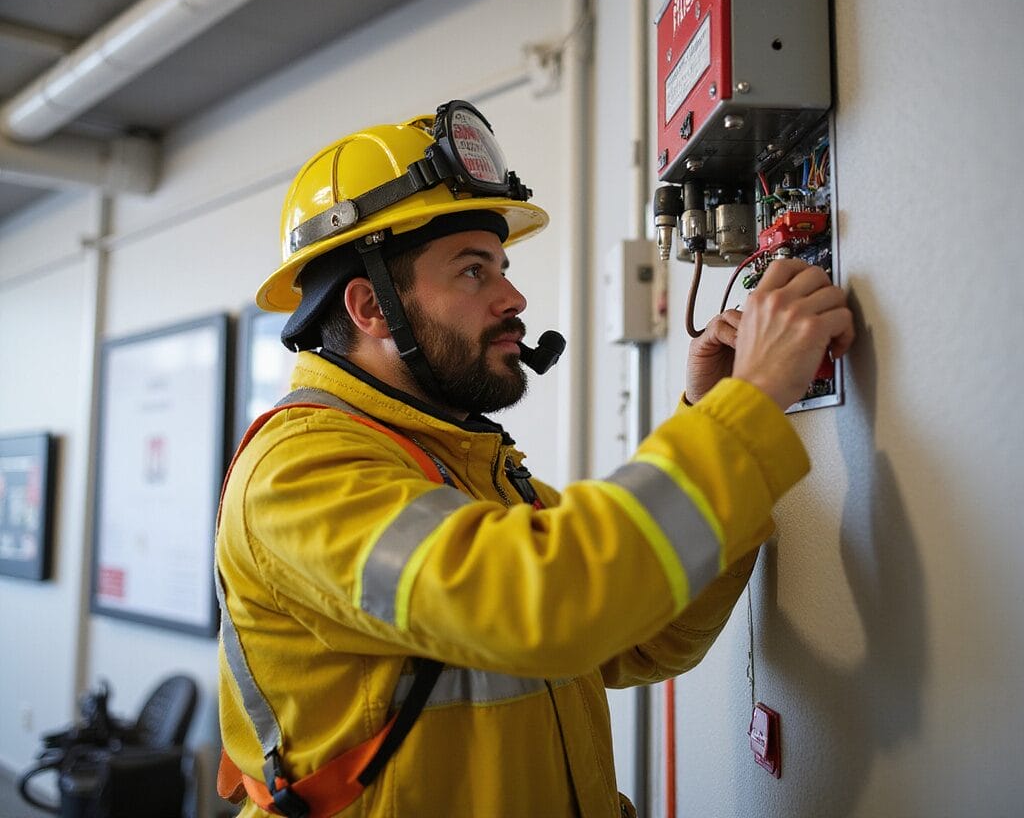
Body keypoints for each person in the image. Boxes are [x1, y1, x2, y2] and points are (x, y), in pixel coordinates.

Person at [215, 100, 854, 818]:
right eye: (471, 272)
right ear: (369, 307)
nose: (513, 296)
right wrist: (751, 407)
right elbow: (550, 608)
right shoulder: (300, 472)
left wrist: (716, 417)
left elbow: (653, 634)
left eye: (502, 267)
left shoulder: (460, 464)